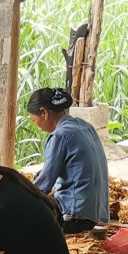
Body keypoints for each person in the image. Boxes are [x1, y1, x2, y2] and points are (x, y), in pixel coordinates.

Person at [27, 85, 110, 234]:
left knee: (20, 211)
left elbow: (44, 184)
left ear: (44, 113)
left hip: (74, 218)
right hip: (93, 214)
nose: (38, 127)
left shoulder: (60, 135)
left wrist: (16, 197)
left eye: (34, 120)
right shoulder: (85, 126)